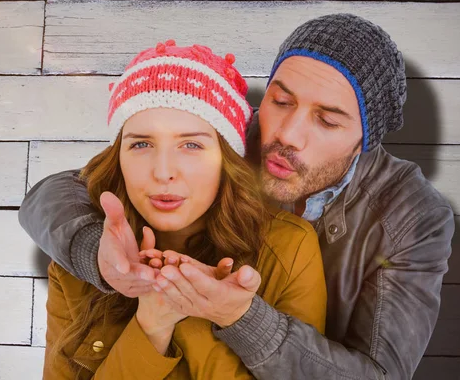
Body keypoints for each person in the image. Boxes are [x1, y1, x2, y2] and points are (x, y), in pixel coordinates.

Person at [20, 14, 454, 379]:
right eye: (281, 101)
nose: (286, 135)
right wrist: (91, 251)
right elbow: (70, 188)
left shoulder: (412, 218)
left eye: (327, 120)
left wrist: (239, 317)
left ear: (365, 140)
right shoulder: (224, 134)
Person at [36, 41, 327, 379]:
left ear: (226, 159)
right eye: (141, 144)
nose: (162, 171)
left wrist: (210, 315)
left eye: (191, 145)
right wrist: (152, 324)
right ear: (119, 157)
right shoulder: (77, 264)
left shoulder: (289, 250)